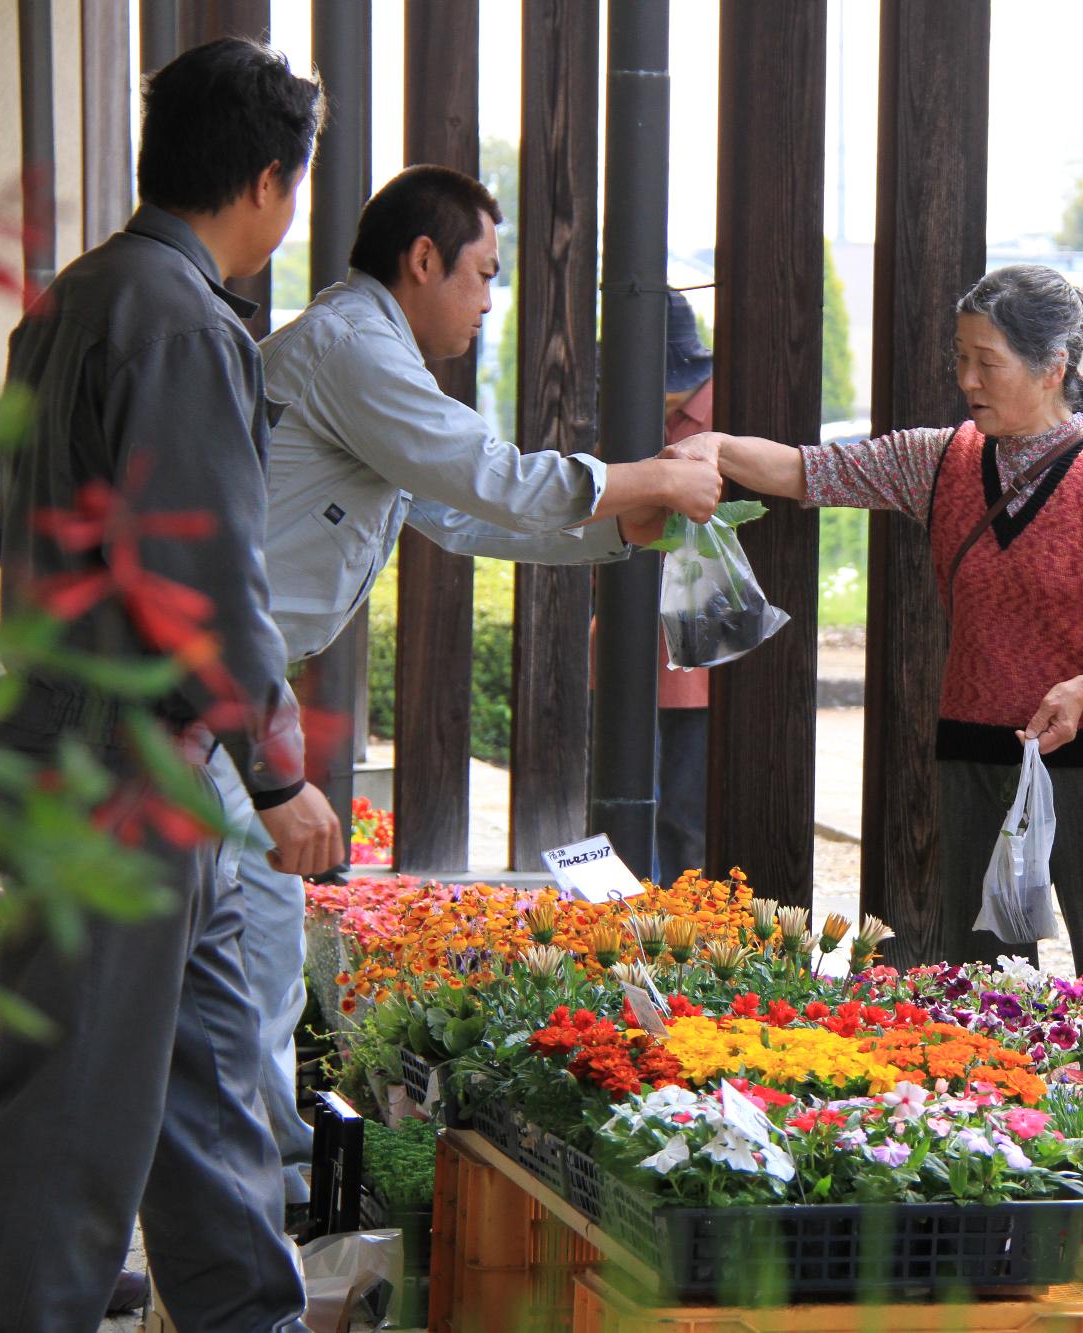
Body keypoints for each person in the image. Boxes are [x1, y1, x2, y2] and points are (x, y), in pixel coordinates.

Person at [0, 39, 338, 1331]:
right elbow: (206, 575)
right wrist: (277, 773)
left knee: (204, 1082)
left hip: (108, 754)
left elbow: (19, 532)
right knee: (72, 1129)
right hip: (123, 777)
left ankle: (242, 1315)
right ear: (269, 183)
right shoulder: (177, 319)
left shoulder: (77, 301)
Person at [230, 164, 722, 1215]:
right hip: (217, 683)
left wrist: (613, 529)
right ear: (422, 262)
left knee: (256, 956)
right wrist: (645, 482)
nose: (491, 301)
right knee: (234, 965)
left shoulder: (371, 354)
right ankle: (249, 1205)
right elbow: (490, 477)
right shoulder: (356, 348)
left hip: (239, 676)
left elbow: (457, 515)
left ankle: (267, 1199)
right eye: (484, 275)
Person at [697, 264, 1083, 972]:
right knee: (980, 977)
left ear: (1053, 368)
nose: (968, 380)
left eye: (987, 362)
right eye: (961, 358)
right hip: (975, 758)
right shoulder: (940, 460)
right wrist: (710, 449)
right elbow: (807, 470)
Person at [654, 291, 715, 886]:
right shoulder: (646, 411)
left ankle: (686, 939)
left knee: (685, 811)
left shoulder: (718, 417)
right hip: (643, 642)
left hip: (699, 650)